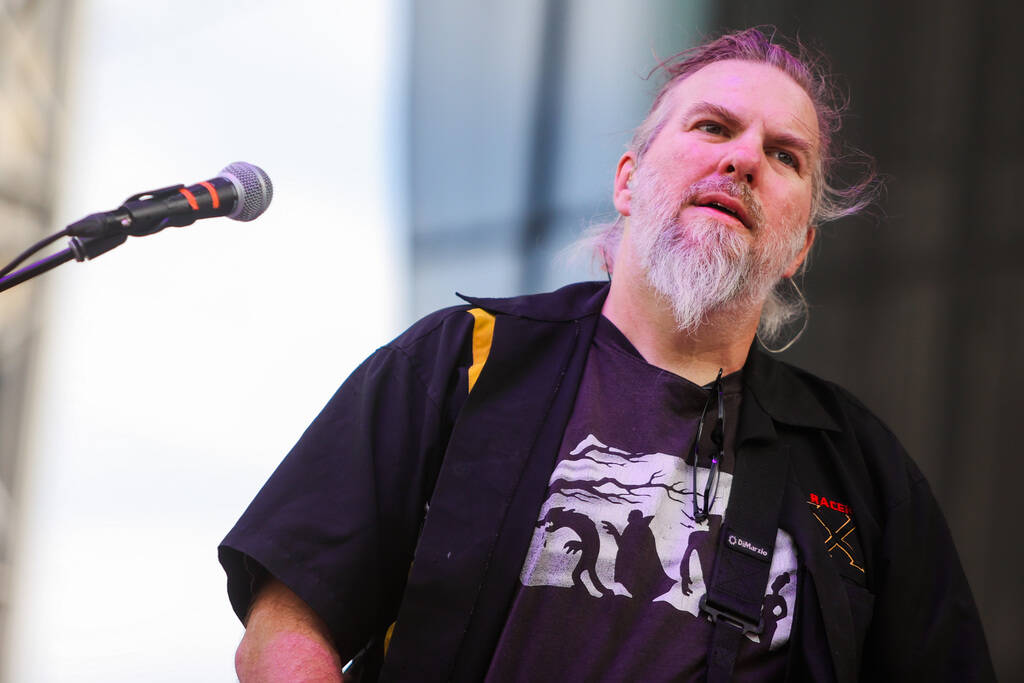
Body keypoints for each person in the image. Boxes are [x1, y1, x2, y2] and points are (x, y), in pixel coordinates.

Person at [220, 27, 994, 682]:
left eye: (785, 155)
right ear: (629, 182)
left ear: (800, 248)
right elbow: (286, 622)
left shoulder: (861, 468)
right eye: (714, 128)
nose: (744, 159)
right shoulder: (465, 361)